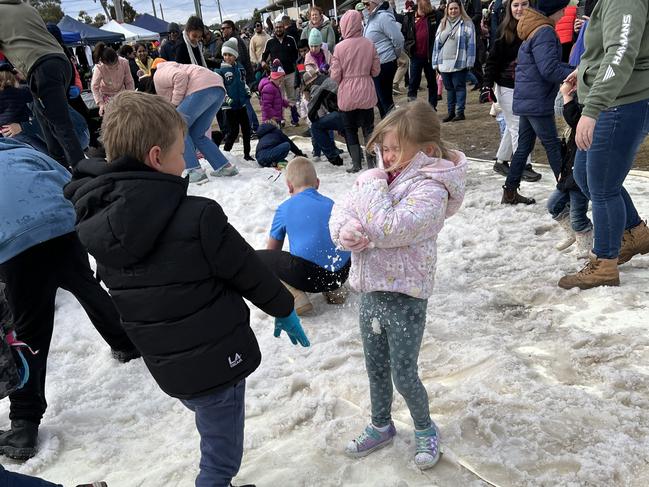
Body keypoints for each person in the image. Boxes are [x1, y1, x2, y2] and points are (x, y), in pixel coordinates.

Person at [64, 90, 310, 487]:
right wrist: (283, 306)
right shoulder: (198, 217)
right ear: (157, 157)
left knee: (209, 422)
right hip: (217, 363)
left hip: (171, 367)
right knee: (221, 456)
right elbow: (247, 269)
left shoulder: (99, 220)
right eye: (183, 153)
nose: (187, 161)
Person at [329, 100, 467, 470]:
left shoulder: (432, 191)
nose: (386, 157)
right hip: (371, 288)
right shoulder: (382, 177)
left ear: (427, 152)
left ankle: (425, 428)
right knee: (375, 367)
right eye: (383, 149)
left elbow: (390, 229)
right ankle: (380, 424)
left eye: (394, 150)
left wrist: (371, 189)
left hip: (406, 295)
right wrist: (346, 231)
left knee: (403, 372)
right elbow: (344, 208)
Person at [0, 138, 138, 461]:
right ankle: (126, 341)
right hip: (61, 223)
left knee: (29, 329)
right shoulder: (21, 149)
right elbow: (65, 177)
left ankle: (23, 425)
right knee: (86, 286)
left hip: (17, 243)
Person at [558, 0, 649, 290]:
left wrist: (593, 107)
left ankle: (604, 264)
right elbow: (604, 51)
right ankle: (635, 232)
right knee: (586, 176)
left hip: (621, 102)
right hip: (614, 98)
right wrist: (584, 73)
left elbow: (620, 55)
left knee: (603, 185)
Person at [501, 0, 573, 205]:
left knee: (523, 147)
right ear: (555, 10)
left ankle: (510, 191)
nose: (565, 14)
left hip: (528, 97)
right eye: (563, 10)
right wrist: (575, 72)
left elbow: (545, 65)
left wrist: (570, 67)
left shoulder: (535, 29)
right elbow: (549, 69)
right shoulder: (545, 32)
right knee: (553, 145)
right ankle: (567, 193)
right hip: (536, 99)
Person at [258, 157, 351, 314]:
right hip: (342, 273)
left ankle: (295, 297)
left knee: (261, 258)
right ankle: (335, 290)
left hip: (308, 277)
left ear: (289, 186)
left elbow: (272, 251)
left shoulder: (285, 208)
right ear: (318, 183)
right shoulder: (332, 203)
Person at [0, 0, 84, 169]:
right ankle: (61, 168)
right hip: (61, 64)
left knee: (62, 128)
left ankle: (84, 175)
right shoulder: (26, 7)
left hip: (42, 69)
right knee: (45, 121)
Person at [140, 59, 238, 182]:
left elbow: (180, 77)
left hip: (202, 88)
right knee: (198, 134)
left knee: (178, 127)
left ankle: (194, 171)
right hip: (217, 88)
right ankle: (224, 167)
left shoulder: (159, 73)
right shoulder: (179, 66)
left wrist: (174, 104)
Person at [481, 0, 541, 182]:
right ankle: (523, 165)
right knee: (518, 125)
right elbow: (492, 60)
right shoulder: (503, 31)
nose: (520, 9)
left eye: (524, 4)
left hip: (526, 86)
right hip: (506, 85)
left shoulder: (535, 28)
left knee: (512, 125)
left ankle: (501, 161)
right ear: (509, 8)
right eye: (516, 5)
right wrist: (486, 85)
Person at [546, 80, 592, 259]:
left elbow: (573, 116)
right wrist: (561, 172)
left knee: (578, 215)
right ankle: (574, 233)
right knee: (553, 205)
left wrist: (567, 96)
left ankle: (585, 245)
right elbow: (566, 150)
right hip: (568, 175)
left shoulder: (585, 119)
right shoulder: (572, 129)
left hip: (580, 177)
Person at [330, 9, 381, 173]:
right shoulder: (369, 44)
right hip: (366, 91)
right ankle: (372, 163)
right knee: (369, 129)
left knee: (350, 129)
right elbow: (376, 71)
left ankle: (356, 164)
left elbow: (335, 76)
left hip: (347, 95)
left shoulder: (339, 48)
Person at [432, 0, 476, 122]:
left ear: (460, 9)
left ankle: (460, 112)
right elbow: (437, 44)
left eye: (455, 8)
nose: (453, 11)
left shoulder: (467, 23)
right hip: (444, 63)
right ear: (447, 10)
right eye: (451, 9)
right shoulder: (443, 23)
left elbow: (471, 44)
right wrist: (435, 62)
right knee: (449, 89)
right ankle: (450, 112)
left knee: (459, 87)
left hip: (459, 62)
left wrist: (470, 61)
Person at [363, 0, 405, 118]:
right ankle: (387, 126)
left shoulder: (383, 17)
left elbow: (398, 39)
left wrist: (394, 55)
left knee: (385, 100)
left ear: (376, 3)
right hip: (377, 64)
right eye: (363, 4)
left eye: (367, 4)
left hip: (385, 62)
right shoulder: (371, 18)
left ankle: (392, 128)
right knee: (379, 100)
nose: (365, 7)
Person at [215, 39, 255, 162]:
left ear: (235, 56)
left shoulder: (240, 68)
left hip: (241, 105)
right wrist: (227, 99)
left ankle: (247, 154)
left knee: (246, 129)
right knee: (233, 132)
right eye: (225, 55)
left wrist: (247, 91)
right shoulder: (220, 71)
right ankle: (226, 152)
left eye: (230, 55)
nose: (227, 57)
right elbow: (221, 88)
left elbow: (243, 83)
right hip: (229, 107)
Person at [401, 0, 441, 109]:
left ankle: (432, 107)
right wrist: (408, 47)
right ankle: (411, 107)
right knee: (413, 83)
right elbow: (404, 33)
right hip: (415, 56)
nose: (426, 5)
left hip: (430, 56)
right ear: (418, 3)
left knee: (432, 83)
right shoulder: (409, 17)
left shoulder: (435, 15)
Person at [0, 64, 47, 153]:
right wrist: (24, 79)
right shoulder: (18, 92)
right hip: (22, 129)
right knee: (44, 151)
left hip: (5, 132)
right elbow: (33, 92)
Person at [303, 69, 344, 167]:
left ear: (309, 82)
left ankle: (334, 158)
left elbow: (312, 111)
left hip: (343, 112)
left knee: (316, 127)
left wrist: (315, 121)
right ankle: (358, 156)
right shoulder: (327, 78)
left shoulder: (316, 85)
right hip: (353, 109)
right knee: (344, 127)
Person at [262, 19, 300, 125]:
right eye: (276, 27)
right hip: (277, 77)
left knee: (292, 97)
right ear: (274, 29)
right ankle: (281, 119)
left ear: (284, 28)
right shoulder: (270, 42)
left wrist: (299, 70)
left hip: (290, 73)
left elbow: (297, 55)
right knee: (279, 98)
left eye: (280, 27)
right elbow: (264, 56)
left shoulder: (291, 40)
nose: (278, 29)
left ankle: (294, 118)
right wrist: (263, 63)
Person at [91, 43, 134, 117]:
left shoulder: (124, 62)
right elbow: (94, 87)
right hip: (106, 96)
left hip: (122, 94)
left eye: (116, 63)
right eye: (110, 66)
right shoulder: (99, 67)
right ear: (104, 62)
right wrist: (100, 103)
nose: (114, 66)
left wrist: (130, 95)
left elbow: (129, 81)